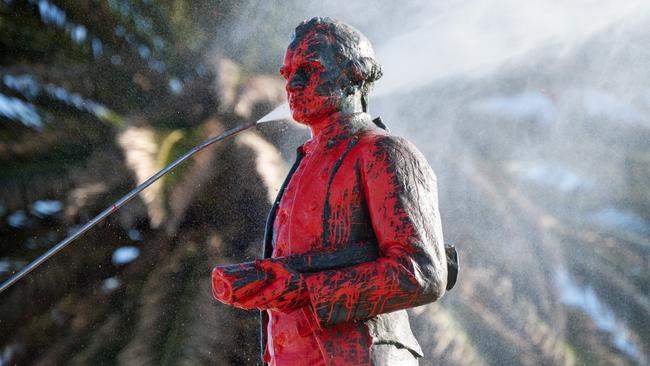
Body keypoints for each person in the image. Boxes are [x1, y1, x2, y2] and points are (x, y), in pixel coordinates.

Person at [212, 17, 448, 366]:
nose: (293, 83)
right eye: (287, 72)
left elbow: (422, 273)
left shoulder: (383, 152)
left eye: (309, 68)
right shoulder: (305, 163)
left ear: (355, 74)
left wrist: (305, 290)